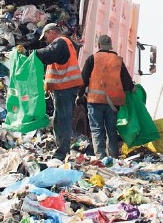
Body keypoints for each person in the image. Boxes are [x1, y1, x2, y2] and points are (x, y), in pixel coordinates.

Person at [80, 34, 134, 159]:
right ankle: (113, 157)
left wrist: (79, 95)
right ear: (110, 46)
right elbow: (127, 83)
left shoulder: (92, 59)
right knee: (111, 131)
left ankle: (100, 157)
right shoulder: (118, 60)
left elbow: (83, 80)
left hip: (94, 101)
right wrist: (132, 89)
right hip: (112, 104)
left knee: (97, 130)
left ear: (98, 45)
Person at [36, 23, 83, 161]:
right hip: (64, 87)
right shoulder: (66, 43)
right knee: (60, 118)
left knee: (62, 119)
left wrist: (32, 54)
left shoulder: (61, 43)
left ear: (51, 32)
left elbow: (49, 54)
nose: (46, 40)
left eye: (45, 37)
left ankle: (62, 152)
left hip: (65, 87)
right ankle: (62, 149)